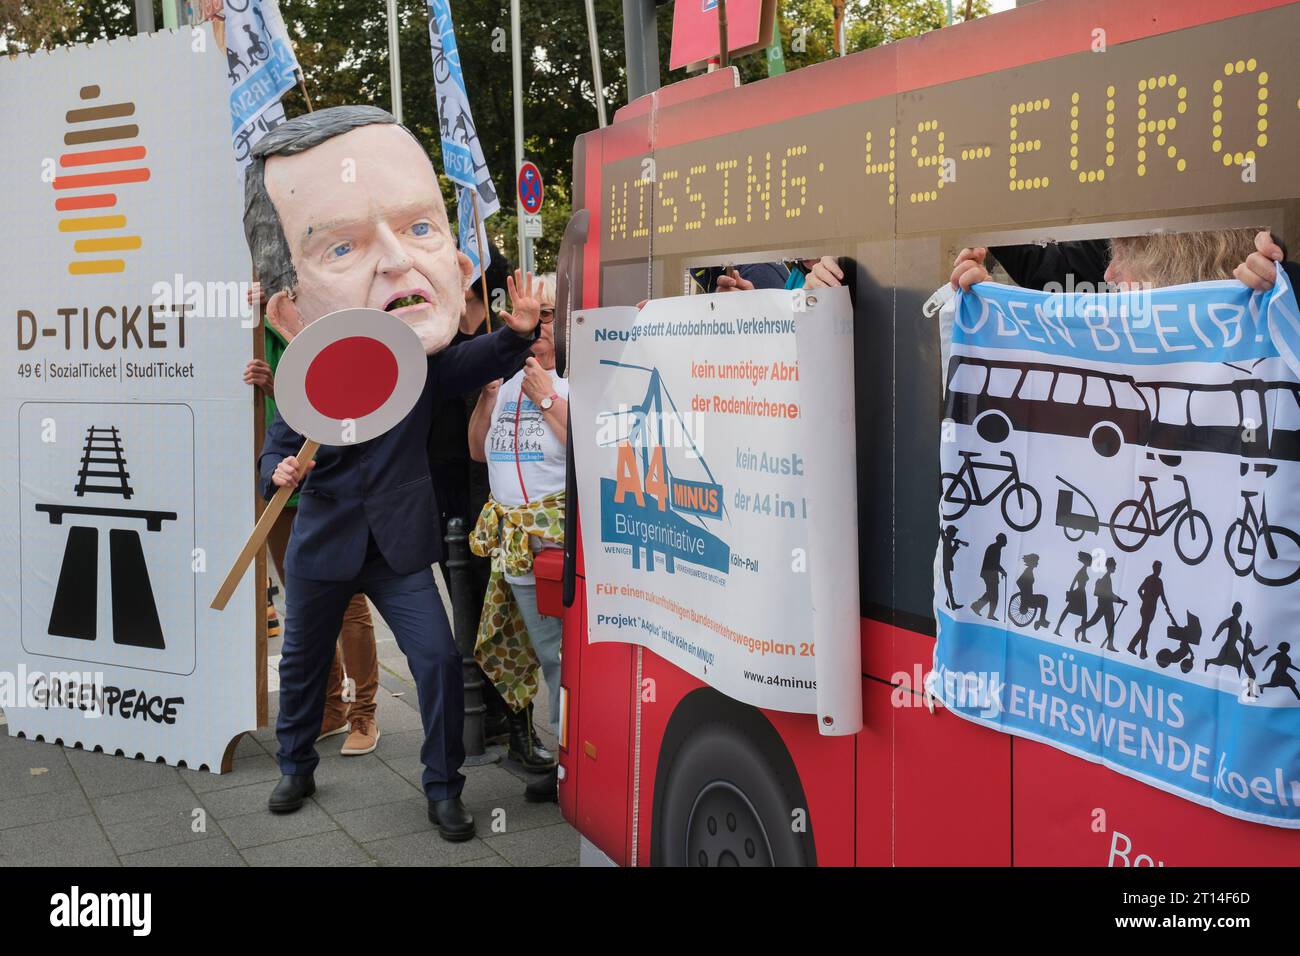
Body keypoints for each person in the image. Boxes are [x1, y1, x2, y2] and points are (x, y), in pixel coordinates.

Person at [246, 106, 543, 842]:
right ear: (295, 304)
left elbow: (470, 365)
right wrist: (278, 467)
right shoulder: (308, 373)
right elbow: (273, 453)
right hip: (324, 542)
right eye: (343, 247)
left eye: (416, 229)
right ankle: (295, 766)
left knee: (439, 662)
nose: (393, 262)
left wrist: (517, 333)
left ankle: (445, 788)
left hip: (399, 547)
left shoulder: (410, 358)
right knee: (304, 662)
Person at [244, 303, 382, 757]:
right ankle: (329, 710)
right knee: (304, 604)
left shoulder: (286, 328)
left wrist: (272, 386)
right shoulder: (218, 330)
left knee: (348, 603)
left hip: (327, 494)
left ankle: (364, 712)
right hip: (275, 493)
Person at [468, 271, 568, 803]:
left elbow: (592, 453)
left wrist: (548, 398)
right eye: (537, 317)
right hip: (513, 543)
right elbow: (477, 451)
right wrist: (487, 399)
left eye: (549, 316)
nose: (541, 327)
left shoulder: (581, 379)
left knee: (558, 658)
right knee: (539, 653)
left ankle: (571, 766)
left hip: (553, 544)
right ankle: (560, 757)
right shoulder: (507, 381)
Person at [426, 244, 521, 750]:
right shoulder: (432, 342)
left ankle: (507, 710)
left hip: (495, 494)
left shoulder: (499, 343)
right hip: (446, 497)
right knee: (464, 600)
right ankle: (479, 708)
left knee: (497, 603)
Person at [1127, 561, 1172, 660]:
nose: (1158, 570)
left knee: (1145, 628)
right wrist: (1145, 599)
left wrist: (1167, 606)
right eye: (1157, 568)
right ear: (1154, 568)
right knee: (1144, 628)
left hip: (1150, 608)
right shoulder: (1150, 579)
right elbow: (1139, 590)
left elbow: (1162, 596)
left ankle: (1142, 651)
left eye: (1160, 568)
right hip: (1147, 608)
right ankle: (1133, 646)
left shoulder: (1158, 581)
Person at [1079, 556, 1126, 650]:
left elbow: (1109, 594)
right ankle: (1078, 629)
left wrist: (1120, 600)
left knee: (1109, 626)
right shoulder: (1106, 579)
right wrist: (1120, 601)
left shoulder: (1107, 578)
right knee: (1095, 622)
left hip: (1106, 605)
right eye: (1114, 566)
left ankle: (1110, 645)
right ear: (1110, 567)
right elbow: (1109, 594)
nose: (1115, 568)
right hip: (1105, 606)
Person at [969, 532, 1007, 621]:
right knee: (993, 594)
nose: (1006, 543)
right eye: (1005, 541)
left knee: (991, 593)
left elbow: (995, 563)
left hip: (990, 574)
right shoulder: (995, 548)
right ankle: (981, 609)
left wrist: (1001, 571)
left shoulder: (995, 547)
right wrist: (1002, 571)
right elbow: (994, 563)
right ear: (1001, 541)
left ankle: (978, 607)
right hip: (989, 574)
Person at [1054, 552, 1091, 639]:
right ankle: (1058, 629)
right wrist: (1070, 595)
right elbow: (1073, 583)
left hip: (1081, 593)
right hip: (1079, 594)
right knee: (1074, 612)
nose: (1091, 563)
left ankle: (1083, 636)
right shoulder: (1081, 571)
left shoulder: (1083, 570)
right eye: (1090, 561)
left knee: (1074, 612)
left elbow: (1073, 584)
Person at [1014, 554, 1049, 630]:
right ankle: (1041, 620)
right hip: (1027, 598)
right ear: (1032, 562)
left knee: (1043, 599)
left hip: (1028, 596)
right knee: (1044, 599)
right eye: (1036, 561)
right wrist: (1024, 591)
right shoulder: (1028, 571)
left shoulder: (1029, 570)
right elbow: (1019, 581)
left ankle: (1041, 620)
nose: (1037, 563)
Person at [940, 524, 967, 611]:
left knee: (949, 585)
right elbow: (950, 554)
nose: (955, 534)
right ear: (951, 533)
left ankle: (950, 602)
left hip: (946, 566)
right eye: (954, 532)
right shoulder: (947, 541)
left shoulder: (946, 539)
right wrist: (956, 545)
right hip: (946, 566)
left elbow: (942, 534)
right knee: (949, 585)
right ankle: (950, 603)